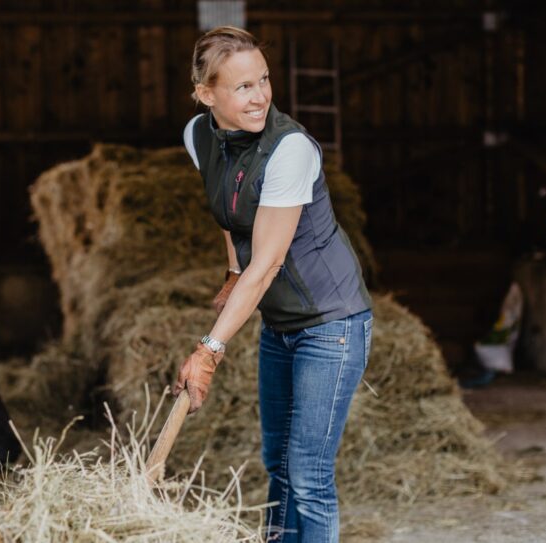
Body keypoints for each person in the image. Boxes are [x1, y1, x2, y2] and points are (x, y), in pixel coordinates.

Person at [171, 26, 374, 543]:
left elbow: (267, 262)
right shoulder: (199, 135)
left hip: (331, 323)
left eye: (263, 80)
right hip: (281, 325)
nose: (261, 95)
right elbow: (227, 209)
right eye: (242, 87)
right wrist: (231, 270)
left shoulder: (291, 149)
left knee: (308, 477)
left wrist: (209, 351)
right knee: (276, 465)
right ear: (206, 94)